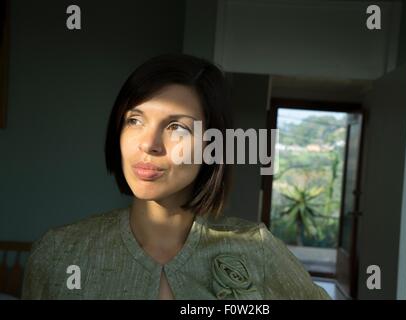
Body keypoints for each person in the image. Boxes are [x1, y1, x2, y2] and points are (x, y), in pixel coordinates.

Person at [21, 53, 330, 300]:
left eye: (177, 127)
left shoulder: (257, 250)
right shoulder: (60, 253)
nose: (149, 144)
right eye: (135, 120)